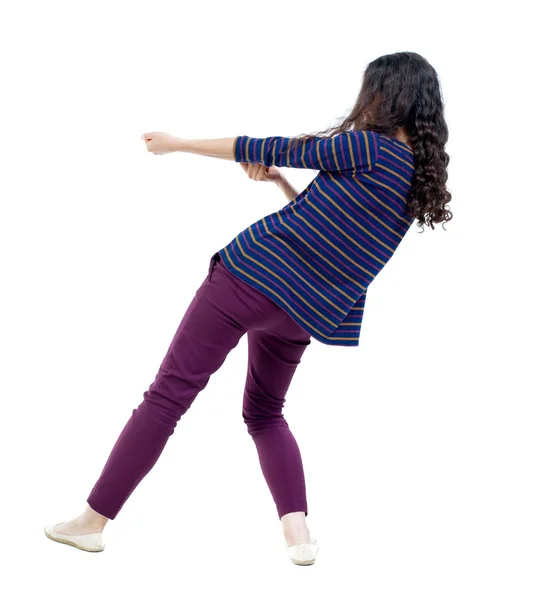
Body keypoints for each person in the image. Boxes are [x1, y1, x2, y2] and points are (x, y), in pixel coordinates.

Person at [44, 51, 452, 566]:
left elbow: (261, 144)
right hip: (302, 314)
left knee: (168, 395)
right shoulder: (416, 182)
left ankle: (91, 522)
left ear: (385, 94)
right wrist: (281, 184)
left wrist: (177, 144)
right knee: (264, 413)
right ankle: (299, 536)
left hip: (247, 280)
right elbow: (332, 230)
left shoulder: (364, 146)